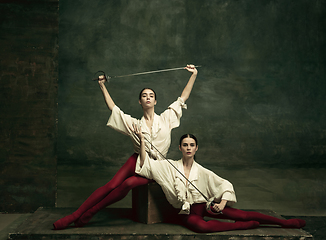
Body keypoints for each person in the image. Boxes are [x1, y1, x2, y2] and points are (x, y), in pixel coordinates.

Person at [53, 65, 198, 230]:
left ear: (156, 101)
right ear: (140, 101)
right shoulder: (134, 123)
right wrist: (102, 85)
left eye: (151, 95)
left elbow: (183, 98)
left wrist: (193, 75)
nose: (148, 98)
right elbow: (114, 109)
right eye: (144, 96)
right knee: (111, 185)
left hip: (156, 166)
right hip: (136, 159)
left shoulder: (166, 118)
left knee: (128, 184)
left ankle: (90, 213)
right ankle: (74, 216)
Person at [133, 129, 306, 233]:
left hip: (206, 206)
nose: (188, 148)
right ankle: (241, 227)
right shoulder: (169, 165)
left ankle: (285, 223)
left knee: (242, 214)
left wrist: (222, 204)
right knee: (202, 227)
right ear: (179, 147)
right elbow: (146, 164)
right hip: (188, 213)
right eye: (185, 145)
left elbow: (225, 185)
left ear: (196, 148)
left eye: (191, 145)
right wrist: (142, 139)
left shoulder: (203, 171)